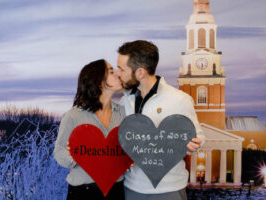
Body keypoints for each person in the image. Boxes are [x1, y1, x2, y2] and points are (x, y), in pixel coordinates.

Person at [117, 40, 206, 200]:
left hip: (169, 190)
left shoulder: (179, 99)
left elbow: (198, 135)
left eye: (122, 69)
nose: (119, 74)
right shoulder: (125, 101)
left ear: (140, 73)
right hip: (131, 187)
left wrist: (196, 143)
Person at [54, 59, 126, 200]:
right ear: (99, 81)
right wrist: (75, 157)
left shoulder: (123, 113)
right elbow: (59, 151)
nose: (118, 74)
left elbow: (129, 147)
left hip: (116, 191)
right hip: (84, 193)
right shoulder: (73, 116)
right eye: (111, 71)